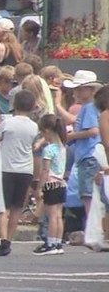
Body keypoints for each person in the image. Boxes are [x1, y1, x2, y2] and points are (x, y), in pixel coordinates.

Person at [0, 89, 40, 256]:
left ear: (14, 105)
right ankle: (10, 239)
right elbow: (33, 147)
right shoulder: (34, 127)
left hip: (7, 168)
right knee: (17, 207)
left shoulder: (7, 124)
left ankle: (3, 239)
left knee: (3, 207)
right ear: (33, 106)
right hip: (26, 170)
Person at [64, 70, 104, 214]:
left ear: (91, 90)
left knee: (88, 195)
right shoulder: (89, 108)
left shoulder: (89, 108)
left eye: (80, 89)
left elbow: (93, 131)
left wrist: (72, 136)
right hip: (87, 155)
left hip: (88, 155)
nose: (77, 92)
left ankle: (90, 226)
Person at [34, 114, 68, 255]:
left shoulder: (49, 149)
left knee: (52, 215)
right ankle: (58, 242)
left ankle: (51, 242)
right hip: (61, 183)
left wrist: (40, 187)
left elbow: (45, 170)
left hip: (51, 183)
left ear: (47, 131)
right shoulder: (62, 147)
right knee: (59, 215)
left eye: (42, 132)